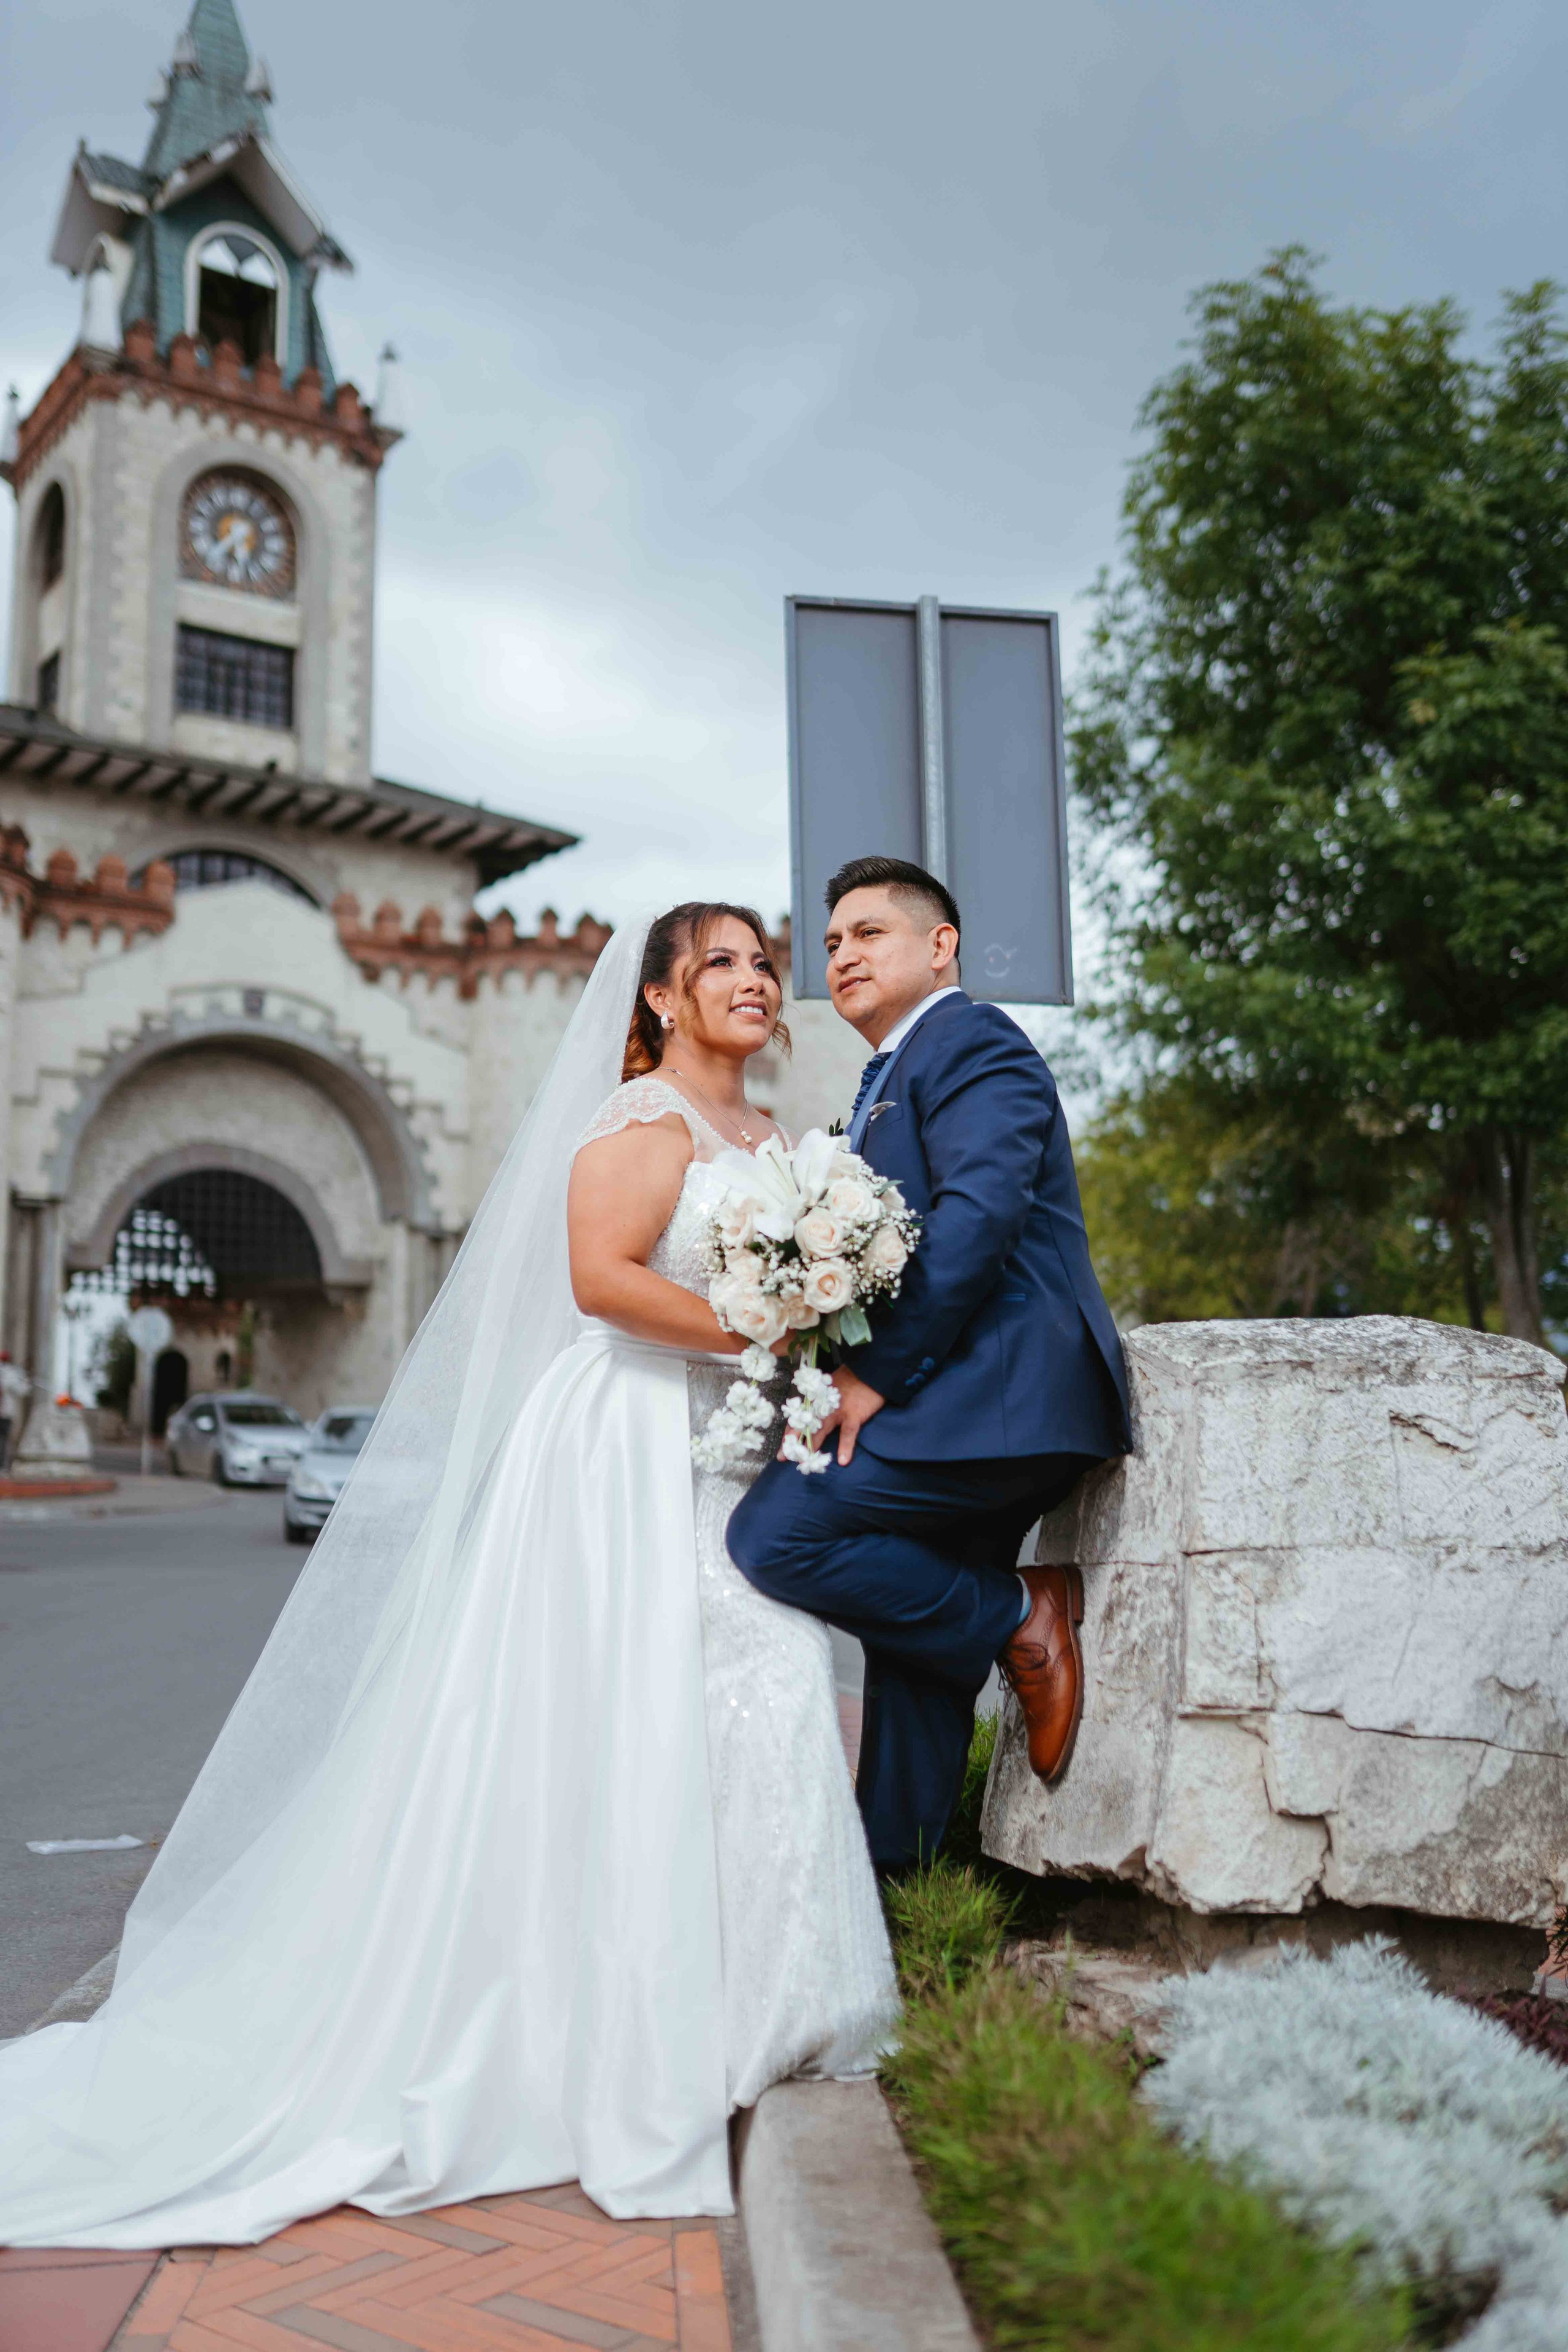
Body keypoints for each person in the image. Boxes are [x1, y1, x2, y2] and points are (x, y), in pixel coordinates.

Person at [0, 904, 895, 2248]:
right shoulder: (638, 1123)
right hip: (624, 1445)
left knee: (750, 1683)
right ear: (656, 998)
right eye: (720, 962)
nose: (755, 980)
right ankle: (613, 2021)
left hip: (724, 1451)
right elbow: (598, 1281)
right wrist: (761, 1323)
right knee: (632, 1706)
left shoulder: (786, 1148)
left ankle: (762, 2005)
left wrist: (806, 1339)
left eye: (765, 962)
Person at [728, 855, 1132, 1875]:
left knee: (778, 1531)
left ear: (940, 945)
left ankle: (1018, 1616)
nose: (842, 956)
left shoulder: (973, 1041)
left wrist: (876, 1377)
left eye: (870, 934)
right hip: (966, 1393)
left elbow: (979, 1219)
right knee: (911, 1661)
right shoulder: (884, 1077)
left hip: (1004, 1388)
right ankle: (900, 1910)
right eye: (831, 943)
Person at [0, 1352, 28, 1473]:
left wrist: (23, 1380)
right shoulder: (12, 1374)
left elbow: (22, 1390)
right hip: (5, 1413)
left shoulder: (13, 1373)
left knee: (4, 1440)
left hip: (5, 1413)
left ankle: (2, 1466)